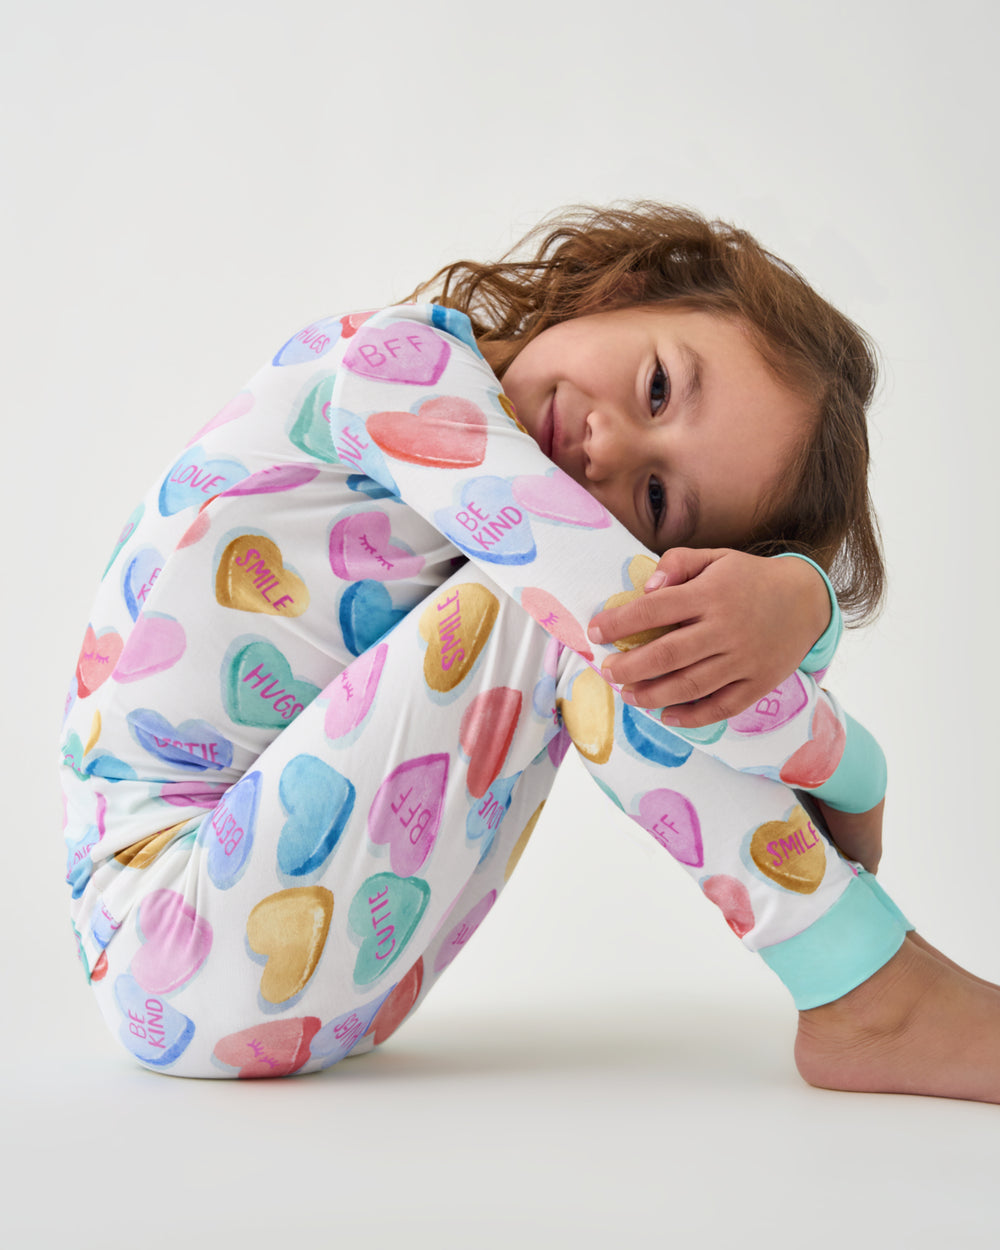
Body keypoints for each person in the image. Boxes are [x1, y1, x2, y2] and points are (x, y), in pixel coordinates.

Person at [59, 203, 1000, 1099]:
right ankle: (861, 983)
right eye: (658, 387)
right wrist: (855, 766)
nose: (608, 446)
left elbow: (679, 641)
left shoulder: (525, 537)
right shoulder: (394, 366)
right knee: (606, 613)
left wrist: (793, 604)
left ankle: (867, 975)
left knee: (620, 613)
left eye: (658, 500)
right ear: (625, 289)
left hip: (334, 978)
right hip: (166, 939)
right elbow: (617, 609)